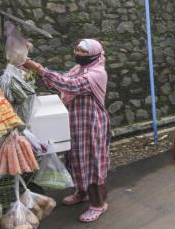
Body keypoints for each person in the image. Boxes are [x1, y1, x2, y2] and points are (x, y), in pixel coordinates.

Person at [24, 39, 110, 223]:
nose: (78, 53)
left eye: (83, 51)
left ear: (95, 54)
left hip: (91, 124)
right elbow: (63, 82)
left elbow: (70, 85)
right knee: (75, 159)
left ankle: (98, 204)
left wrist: (39, 68)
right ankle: (81, 192)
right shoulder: (79, 70)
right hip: (75, 122)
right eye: (77, 49)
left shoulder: (97, 73)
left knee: (92, 162)